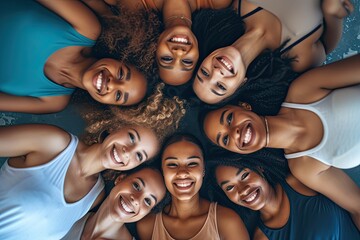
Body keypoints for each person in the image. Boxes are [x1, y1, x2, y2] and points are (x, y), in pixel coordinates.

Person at [203, 53, 360, 229]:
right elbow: (357, 207)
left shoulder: (304, 90)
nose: (234, 132)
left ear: (244, 106)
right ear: (234, 151)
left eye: (230, 119)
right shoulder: (304, 168)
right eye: (225, 139)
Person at [0, 123, 161, 239]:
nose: (128, 152)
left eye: (139, 156)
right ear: (116, 126)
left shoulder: (96, 196)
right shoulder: (54, 143)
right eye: (132, 137)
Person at [0, 0, 153, 114]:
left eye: (118, 95)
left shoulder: (53, 102)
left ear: (108, 104)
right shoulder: (86, 28)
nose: (111, 84)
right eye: (121, 73)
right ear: (120, 57)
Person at [192, 0, 354, 104]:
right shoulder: (296, 58)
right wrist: (332, 14)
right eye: (220, 86)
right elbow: (327, 44)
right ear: (241, 84)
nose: (217, 73)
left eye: (204, 72)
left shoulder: (236, 7)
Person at [210, 150, 360, 239]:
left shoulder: (300, 181)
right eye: (229, 187)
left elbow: (357, 207)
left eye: (244, 176)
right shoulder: (261, 237)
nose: (242, 190)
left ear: (259, 168)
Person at [82, 0, 234, 86]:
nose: (179, 53)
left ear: (153, 48)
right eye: (187, 61)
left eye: (167, 59)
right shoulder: (217, 2)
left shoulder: (131, 6)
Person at [137, 134, 250, 240]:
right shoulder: (147, 225)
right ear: (162, 171)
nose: (182, 173)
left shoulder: (227, 221)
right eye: (172, 164)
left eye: (192, 163)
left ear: (203, 170)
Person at [61, 166, 166, 240]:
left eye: (147, 201)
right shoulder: (70, 213)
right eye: (136, 186)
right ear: (120, 179)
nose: (136, 200)